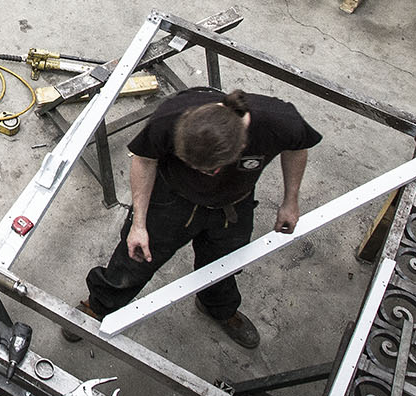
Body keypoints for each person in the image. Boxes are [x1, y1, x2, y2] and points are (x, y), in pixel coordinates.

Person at [71, 87, 321, 348]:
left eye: (209, 170)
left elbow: (297, 148)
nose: (202, 173)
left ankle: (217, 307)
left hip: (232, 204)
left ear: (242, 146)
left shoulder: (280, 121)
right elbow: (144, 160)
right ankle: (99, 306)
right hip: (172, 198)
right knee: (135, 259)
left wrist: (290, 201)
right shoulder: (170, 117)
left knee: (223, 265)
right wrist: (139, 224)